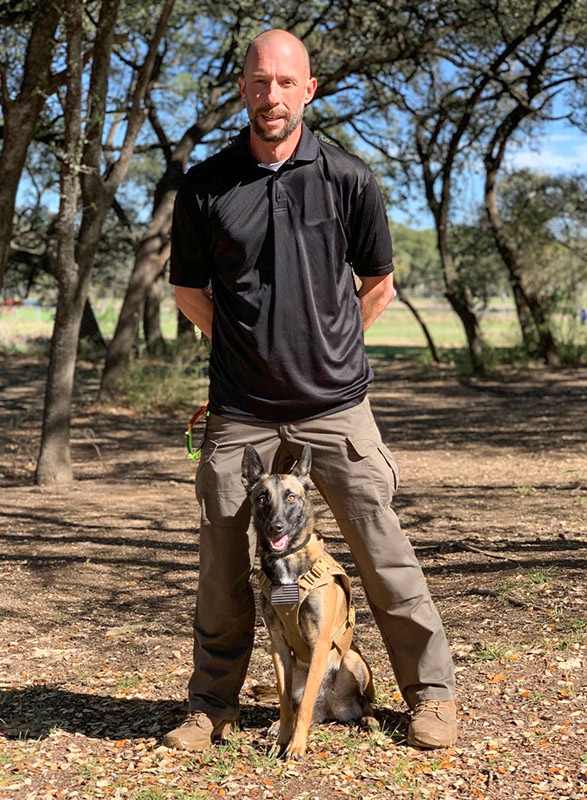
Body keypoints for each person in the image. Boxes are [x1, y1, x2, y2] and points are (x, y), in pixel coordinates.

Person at [164, 29, 457, 752]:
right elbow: (188, 291)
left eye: (286, 82)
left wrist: (330, 350)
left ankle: (431, 696)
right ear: (243, 88)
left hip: (335, 407)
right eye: (260, 81)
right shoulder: (205, 185)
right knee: (222, 567)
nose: (273, 95)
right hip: (241, 411)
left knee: (383, 552)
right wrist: (247, 351)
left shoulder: (349, 178)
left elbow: (378, 284)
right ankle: (211, 707)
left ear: (309, 90)